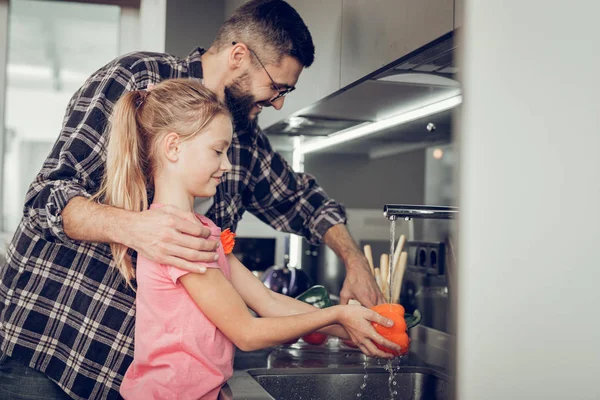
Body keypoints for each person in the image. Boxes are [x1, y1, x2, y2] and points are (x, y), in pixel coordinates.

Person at [0, 0, 383, 398]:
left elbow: (301, 202)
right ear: (239, 56)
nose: (279, 103)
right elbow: (45, 198)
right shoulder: (135, 78)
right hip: (55, 346)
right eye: (277, 87)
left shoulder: (242, 139)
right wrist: (137, 229)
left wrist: (354, 267)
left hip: (139, 376)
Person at [99, 78, 399, 399]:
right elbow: (246, 333)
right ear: (173, 147)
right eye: (218, 151)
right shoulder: (177, 237)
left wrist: (349, 328)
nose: (227, 165)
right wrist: (337, 314)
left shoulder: (201, 229)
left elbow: (268, 302)